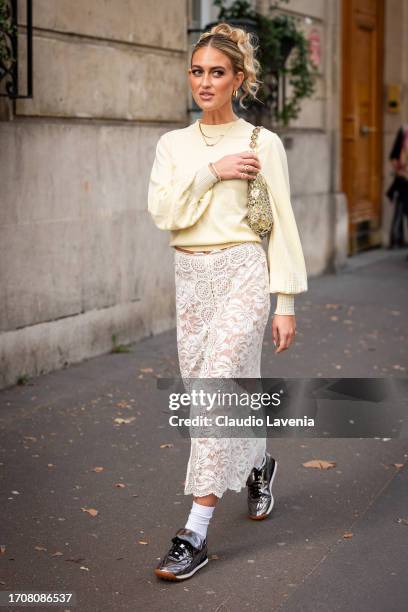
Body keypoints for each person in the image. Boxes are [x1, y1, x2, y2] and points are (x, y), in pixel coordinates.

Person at [147, 22, 308, 581]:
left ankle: (194, 531)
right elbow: (165, 212)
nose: (205, 81)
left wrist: (284, 299)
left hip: (241, 269)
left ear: (238, 79)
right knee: (209, 395)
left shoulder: (263, 144)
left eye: (217, 72)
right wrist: (211, 173)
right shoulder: (173, 146)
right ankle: (260, 462)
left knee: (217, 386)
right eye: (197, 71)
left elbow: (282, 224)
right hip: (189, 277)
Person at [386, 123, 408, 248]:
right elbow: (394, 156)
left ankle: (396, 238)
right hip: (404, 181)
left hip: (404, 179)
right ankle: (396, 238)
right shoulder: (404, 130)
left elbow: (393, 157)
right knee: (401, 208)